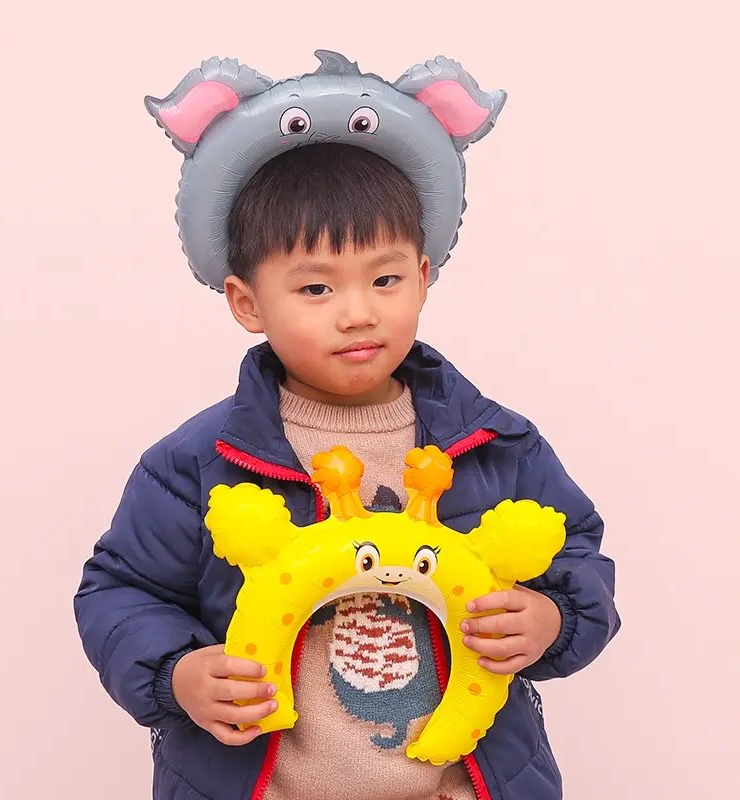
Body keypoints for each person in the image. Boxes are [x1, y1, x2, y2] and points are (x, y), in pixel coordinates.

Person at [74, 142, 620, 800]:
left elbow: (579, 552)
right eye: (316, 288)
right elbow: (122, 590)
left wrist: (553, 618)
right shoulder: (198, 462)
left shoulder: (495, 444)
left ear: (423, 276)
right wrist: (178, 673)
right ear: (247, 303)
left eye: (385, 280)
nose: (359, 312)